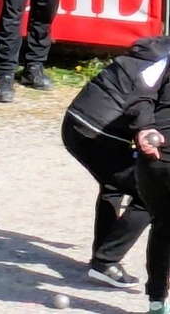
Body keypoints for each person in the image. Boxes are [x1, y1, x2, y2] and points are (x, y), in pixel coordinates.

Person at [61, 36, 170, 289]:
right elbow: (141, 93)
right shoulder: (163, 59)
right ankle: (105, 261)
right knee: (151, 193)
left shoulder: (159, 48)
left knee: (115, 182)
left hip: (79, 122)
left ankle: (103, 258)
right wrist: (145, 127)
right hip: (96, 128)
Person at [133, 45, 170, 313]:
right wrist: (145, 126)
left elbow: (141, 90)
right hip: (160, 159)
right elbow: (142, 90)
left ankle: (157, 302)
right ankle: (157, 302)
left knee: (165, 229)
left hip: (157, 161)